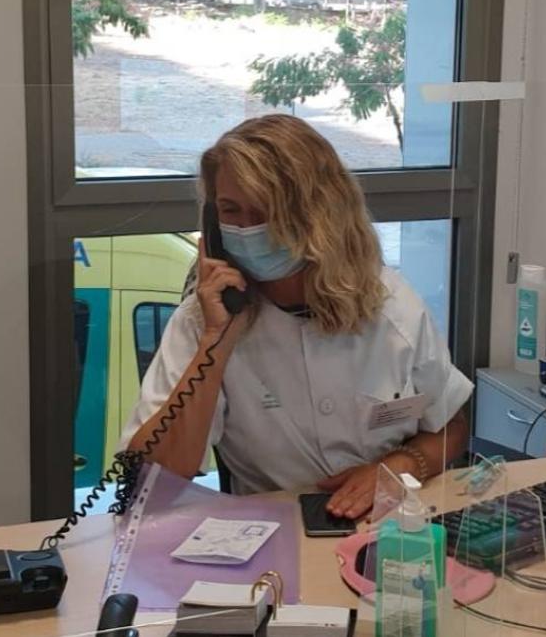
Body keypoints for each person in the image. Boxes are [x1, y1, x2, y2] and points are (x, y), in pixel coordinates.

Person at [124, 114, 471, 519]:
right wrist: (214, 344)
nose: (247, 229)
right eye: (230, 211)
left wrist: (400, 465)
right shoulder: (202, 321)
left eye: (265, 211)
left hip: (391, 526)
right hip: (272, 532)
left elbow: (451, 425)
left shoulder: (390, 304)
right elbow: (149, 484)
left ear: (319, 216)